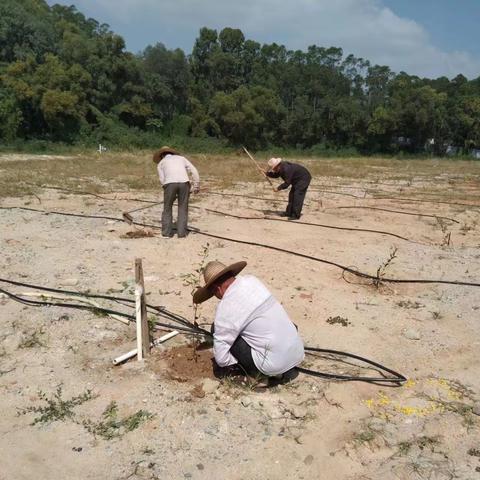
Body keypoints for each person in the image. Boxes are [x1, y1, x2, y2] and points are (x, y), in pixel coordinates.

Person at [193, 260, 304, 383]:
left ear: (217, 289)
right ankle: (285, 367)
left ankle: (256, 374)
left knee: (217, 329)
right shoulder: (252, 280)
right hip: (297, 352)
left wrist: (234, 363)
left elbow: (221, 358)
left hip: (271, 366)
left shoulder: (226, 307)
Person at [153, 146, 200, 238]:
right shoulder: (182, 158)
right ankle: (182, 233)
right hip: (184, 183)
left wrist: (169, 193)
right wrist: (196, 186)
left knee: (167, 208)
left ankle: (166, 233)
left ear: (162, 155)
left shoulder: (161, 163)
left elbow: (162, 180)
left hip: (169, 184)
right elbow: (194, 170)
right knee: (183, 208)